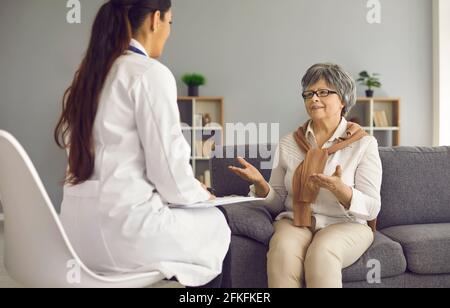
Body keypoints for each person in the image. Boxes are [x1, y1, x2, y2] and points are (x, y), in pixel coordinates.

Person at [54, 0, 231, 288]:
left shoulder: (86, 80)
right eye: (170, 23)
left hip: (76, 236)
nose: (168, 32)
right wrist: (202, 195)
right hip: (125, 235)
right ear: (155, 20)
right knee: (216, 222)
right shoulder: (149, 73)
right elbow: (170, 175)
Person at [229, 63, 382, 288]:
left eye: (323, 92)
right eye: (308, 94)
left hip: (346, 224)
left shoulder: (364, 144)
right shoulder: (289, 143)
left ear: (343, 100)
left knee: (322, 254)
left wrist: (341, 190)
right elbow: (277, 203)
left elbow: (372, 207)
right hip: (296, 222)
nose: (314, 99)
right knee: (282, 252)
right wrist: (261, 185)